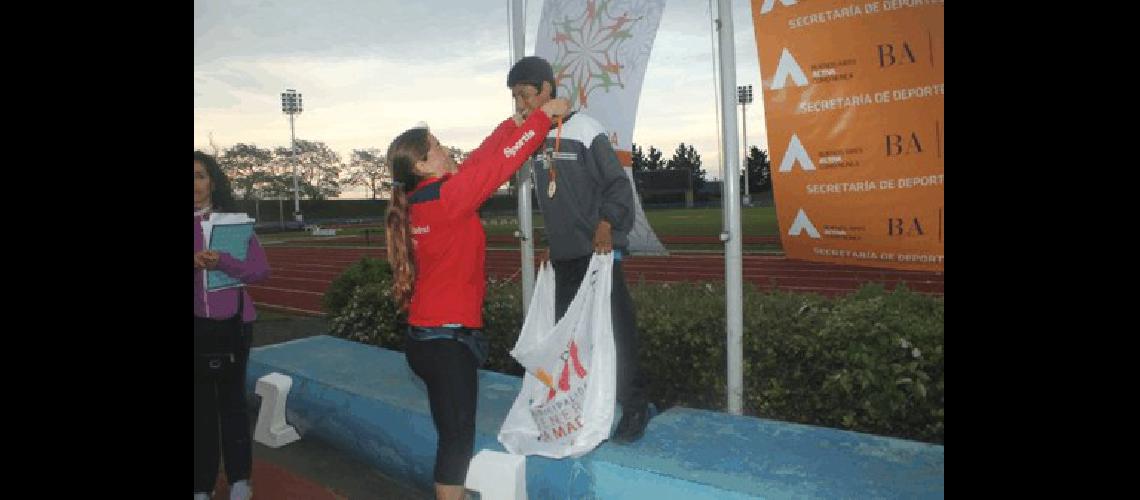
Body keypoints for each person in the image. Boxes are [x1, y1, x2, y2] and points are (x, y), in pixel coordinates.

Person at [386, 97, 569, 500]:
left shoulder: (428, 200)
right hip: (446, 344)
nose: (445, 148)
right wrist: (541, 118)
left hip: (428, 339)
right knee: (455, 441)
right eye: (435, 146)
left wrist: (512, 123)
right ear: (421, 166)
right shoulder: (448, 200)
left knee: (452, 433)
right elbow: (497, 166)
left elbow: (481, 162)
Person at [507, 55, 650, 443]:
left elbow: (618, 186)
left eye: (525, 95)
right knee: (570, 342)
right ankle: (581, 407)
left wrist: (606, 223)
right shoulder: (533, 139)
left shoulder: (586, 129)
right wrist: (553, 244)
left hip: (598, 254)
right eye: (514, 98)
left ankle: (636, 407)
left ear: (547, 91)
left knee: (616, 333)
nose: (520, 104)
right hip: (564, 257)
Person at [194, 151, 271, 500]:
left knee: (233, 404)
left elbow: (259, 271)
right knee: (200, 410)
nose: (194, 184)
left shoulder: (234, 223)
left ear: (213, 181)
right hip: (196, 328)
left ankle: (240, 479)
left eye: (199, 175)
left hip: (235, 326)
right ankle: (202, 483)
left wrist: (222, 260)